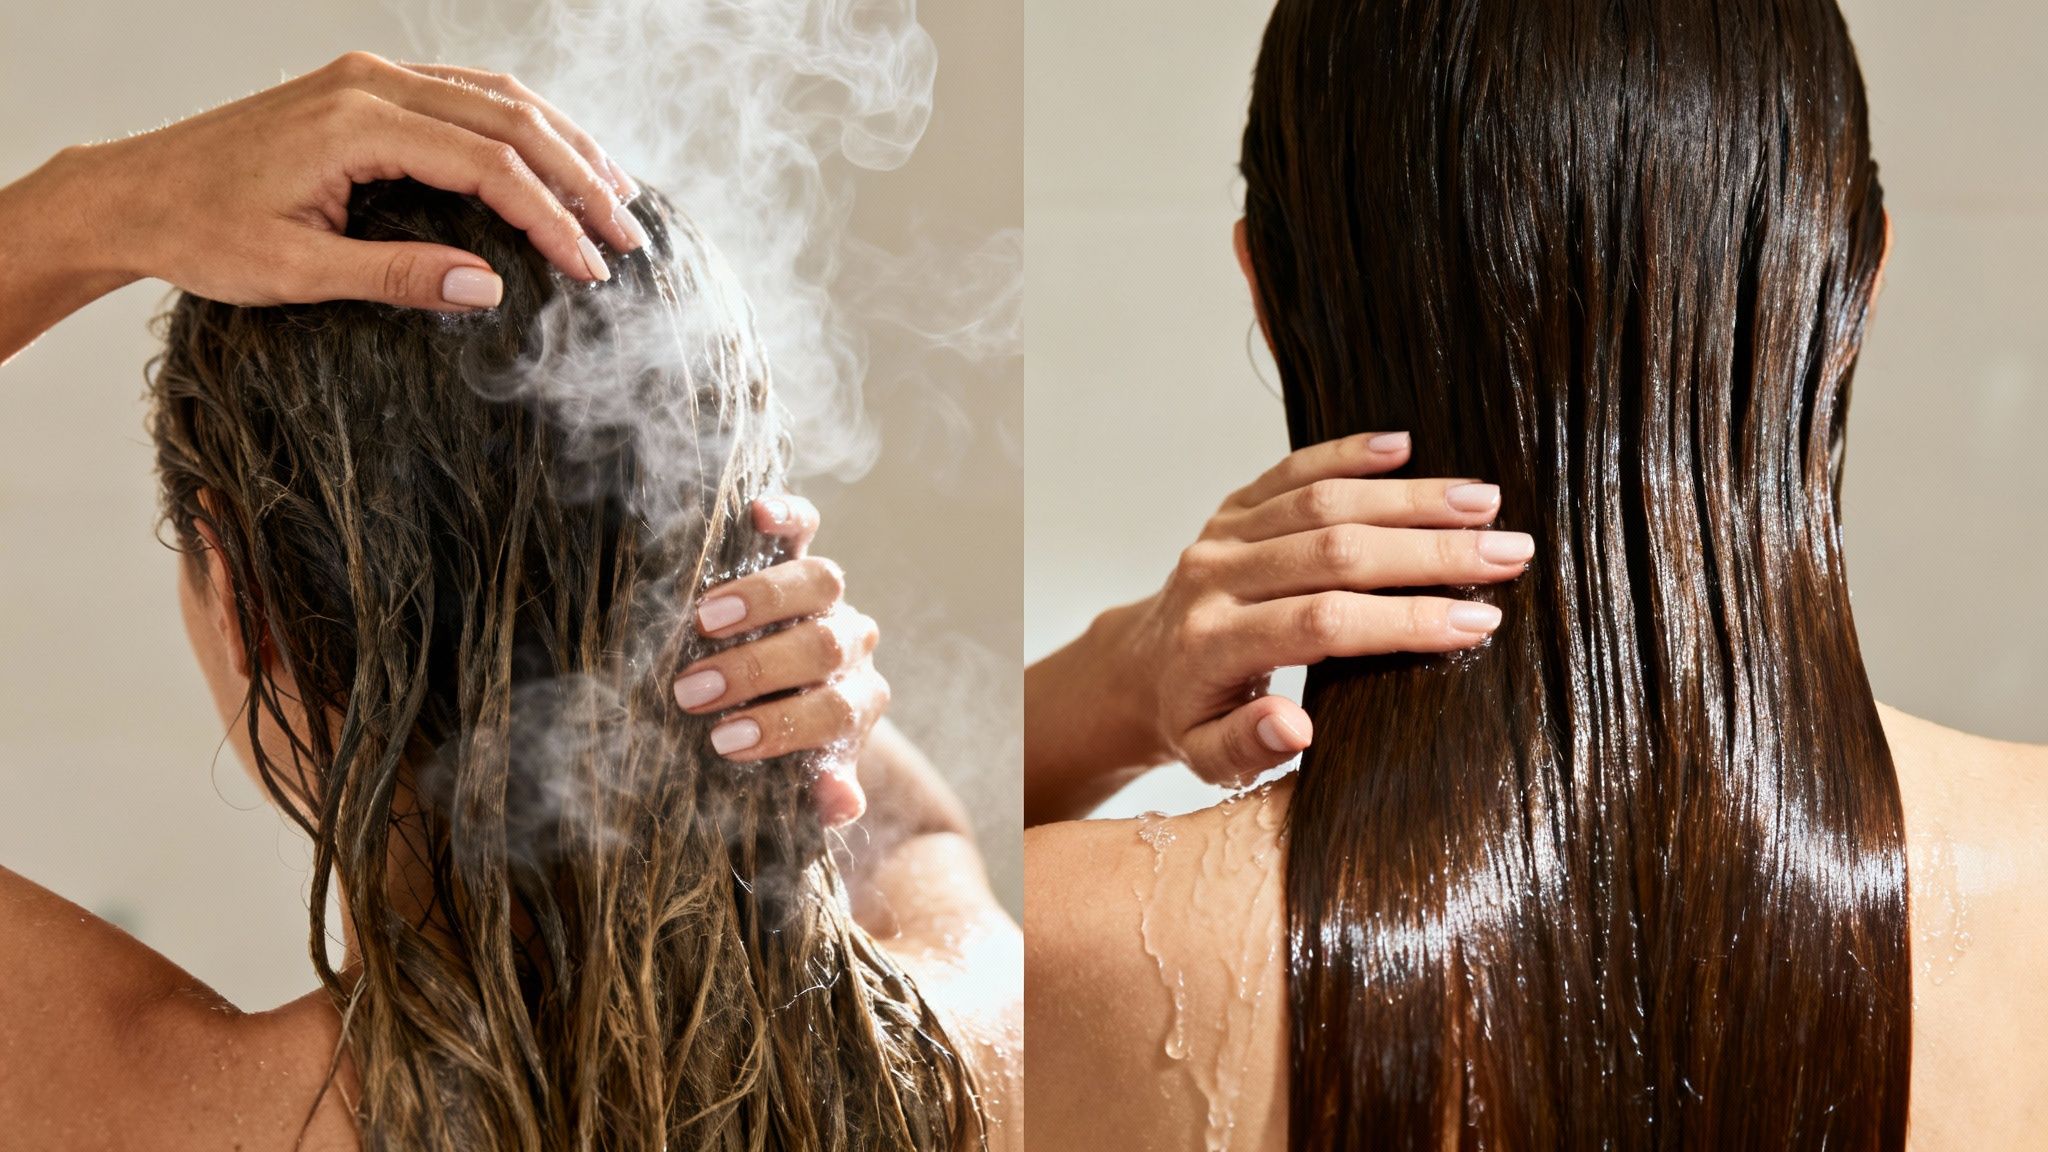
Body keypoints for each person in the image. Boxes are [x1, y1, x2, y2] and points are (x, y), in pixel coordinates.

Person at [1023, 0, 2048, 1148]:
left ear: (1261, 282)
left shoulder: (1069, 954)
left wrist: (1115, 680)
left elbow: (855, 913)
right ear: (1855, 282)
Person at [0, 53, 1018, 1151]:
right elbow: (913, 833)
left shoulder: (145, 1105)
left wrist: (82, 207)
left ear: (246, 605)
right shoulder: (965, 1054)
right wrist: (738, 642)